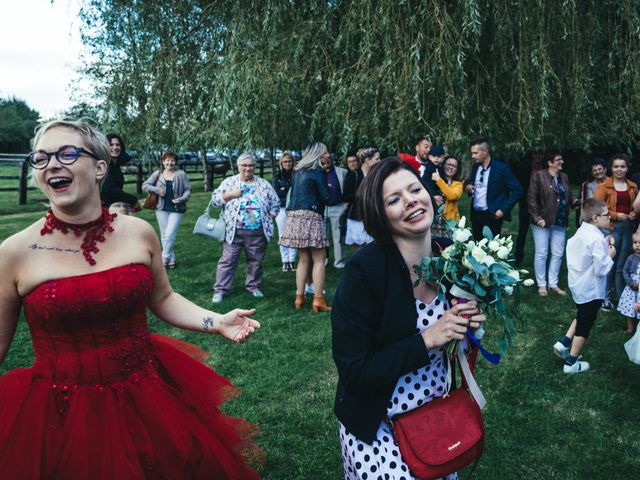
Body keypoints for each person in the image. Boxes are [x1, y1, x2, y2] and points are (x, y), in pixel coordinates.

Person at [0, 120, 261, 478]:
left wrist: (216, 321)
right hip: (58, 415)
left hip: (148, 397)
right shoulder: (14, 252)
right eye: (41, 158)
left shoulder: (138, 232)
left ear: (100, 167)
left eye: (68, 153)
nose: (52, 165)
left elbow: (164, 297)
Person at [331, 157, 486, 479]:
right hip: (379, 425)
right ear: (380, 216)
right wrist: (429, 339)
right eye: (394, 199)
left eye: (415, 189)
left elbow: (456, 342)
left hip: (436, 420)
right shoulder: (363, 273)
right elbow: (354, 372)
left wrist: (468, 327)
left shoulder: (452, 259)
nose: (411, 200)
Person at [553, 199, 615, 374]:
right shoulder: (595, 238)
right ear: (595, 218)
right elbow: (601, 269)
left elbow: (588, 252)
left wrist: (603, 243)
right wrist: (610, 253)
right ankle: (571, 363)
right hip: (591, 289)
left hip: (578, 284)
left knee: (582, 313)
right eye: (606, 215)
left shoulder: (583, 231)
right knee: (585, 324)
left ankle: (564, 343)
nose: (609, 217)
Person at [211, 152, 280, 303]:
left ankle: (253, 286)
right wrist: (230, 195)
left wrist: (271, 216)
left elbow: (276, 203)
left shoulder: (263, 184)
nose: (247, 168)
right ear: (238, 166)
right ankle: (220, 290)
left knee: (255, 261)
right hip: (233, 231)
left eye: (251, 165)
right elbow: (215, 201)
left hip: (257, 232)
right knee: (227, 261)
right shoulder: (229, 182)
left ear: (254, 167)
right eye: (244, 165)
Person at [280, 142, 332, 313]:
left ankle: (299, 297)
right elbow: (326, 197)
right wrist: (330, 189)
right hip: (311, 215)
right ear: (318, 154)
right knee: (319, 259)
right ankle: (318, 299)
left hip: (294, 216)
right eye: (325, 153)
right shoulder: (318, 171)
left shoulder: (297, 170)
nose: (327, 155)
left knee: (303, 259)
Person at [527, 150, 578, 296]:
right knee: (542, 253)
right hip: (542, 221)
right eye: (558, 160)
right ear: (550, 162)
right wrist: (537, 218)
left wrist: (574, 201)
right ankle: (542, 284)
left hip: (560, 221)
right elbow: (531, 198)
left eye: (561, 159)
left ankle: (553, 283)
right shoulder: (539, 176)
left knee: (558, 253)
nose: (561, 162)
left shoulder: (564, 177)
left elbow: (566, 194)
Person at [594, 153, 638, 310]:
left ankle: (619, 295)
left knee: (621, 264)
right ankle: (604, 296)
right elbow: (597, 208)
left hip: (627, 229)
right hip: (610, 228)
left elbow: (634, 206)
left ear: (627, 168)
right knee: (609, 263)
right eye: (616, 166)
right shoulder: (603, 187)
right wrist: (615, 215)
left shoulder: (632, 186)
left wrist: (633, 213)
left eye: (623, 166)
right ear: (611, 168)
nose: (619, 169)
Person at [142, 151, 191, 269]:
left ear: (176, 162)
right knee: (164, 235)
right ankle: (171, 259)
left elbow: (188, 190)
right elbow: (145, 185)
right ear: (163, 162)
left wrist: (181, 199)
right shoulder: (158, 174)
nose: (170, 163)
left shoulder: (181, 174)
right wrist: (157, 190)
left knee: (170, 235)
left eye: (172, 160)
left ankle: (163, 259)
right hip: (161, 208)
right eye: (167, 160)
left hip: (176, 208)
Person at [466, 138, 522, 240]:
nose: (472, 156)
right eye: (472, 153)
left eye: (475, 153)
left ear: (485, 151)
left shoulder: (501, 168)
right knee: (476, 249)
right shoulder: (475, 167)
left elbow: (518, 190)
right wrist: (470, 189)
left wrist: (502, 210)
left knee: (491, 250)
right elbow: (476, 187)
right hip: (476, 215)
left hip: (492, 215)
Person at [343, 147, 380, 251]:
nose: (379, 161)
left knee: (374, 247)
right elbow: (345, 196)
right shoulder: (353, 175)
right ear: (368, 161)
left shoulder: (375, 175)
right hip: (357, 218)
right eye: (377, 159)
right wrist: (362, 195)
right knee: (359, 249)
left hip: (372, 216)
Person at [513, 148, 544, 266]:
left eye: (540, 153)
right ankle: (518, 257)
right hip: (525, 203)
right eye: (536, 153)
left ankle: (541, 257)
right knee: (522, 231)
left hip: (541, 206)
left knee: (541, 231)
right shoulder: (525, 168)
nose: (538, 156)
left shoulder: (545, 168)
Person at [321, 153, 348, 269]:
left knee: (338, 236)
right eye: (324, 160)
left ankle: (340, 261)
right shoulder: (317, 172)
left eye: (329, 159)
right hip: (321, 208)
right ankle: (322, 261)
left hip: (337, 207)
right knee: (321, 237)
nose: (327, 162)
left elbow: (347, 187)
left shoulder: (341, 172)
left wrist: (346, 202)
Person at [101, 133, 141, 210]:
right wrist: (133, 200)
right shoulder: (105, 165)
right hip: (105, 208)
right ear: (105, 147)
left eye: (118, 145)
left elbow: (127, 157)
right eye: (111, 145)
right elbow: (109, 189)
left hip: (115, 206)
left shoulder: (115, 165)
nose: (115, 147)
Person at [272, 152, 297, 272]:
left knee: (294, 234)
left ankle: (292, 260)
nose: (288, 164)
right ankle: (285, 260)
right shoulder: (277, 177)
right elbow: (276, 193)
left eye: (290, 161)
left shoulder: (297, 175)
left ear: (293, 162)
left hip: (295, 208)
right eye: (285, 162)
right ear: (281, 163)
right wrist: (286, 190)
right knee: (283, 235)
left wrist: (285, 190)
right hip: (281, 208)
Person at [617, 233, 640, 333]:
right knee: (630, 307)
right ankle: (630, 328)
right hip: (632, 288)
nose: (638, 245)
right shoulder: (631, 258)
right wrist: (631, 283)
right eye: (635, 243)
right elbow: (625, 272)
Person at [575, 158, 607, 228]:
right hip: (595, 218)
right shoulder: (589, 185)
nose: (597, 172)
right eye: (594, 170)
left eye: (599, 169)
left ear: (605, 169)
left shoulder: (612, 182)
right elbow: (591, 202)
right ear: (592, 173)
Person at [432, 154, 463, 222]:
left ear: (457, 169)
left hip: (450, 222)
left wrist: (439, 180)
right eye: (449, 164)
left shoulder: (458, 184)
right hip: (434, 219)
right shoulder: (433, 180)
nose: (451, 167)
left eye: (454, 166)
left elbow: (452, 196)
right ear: (443, 165)